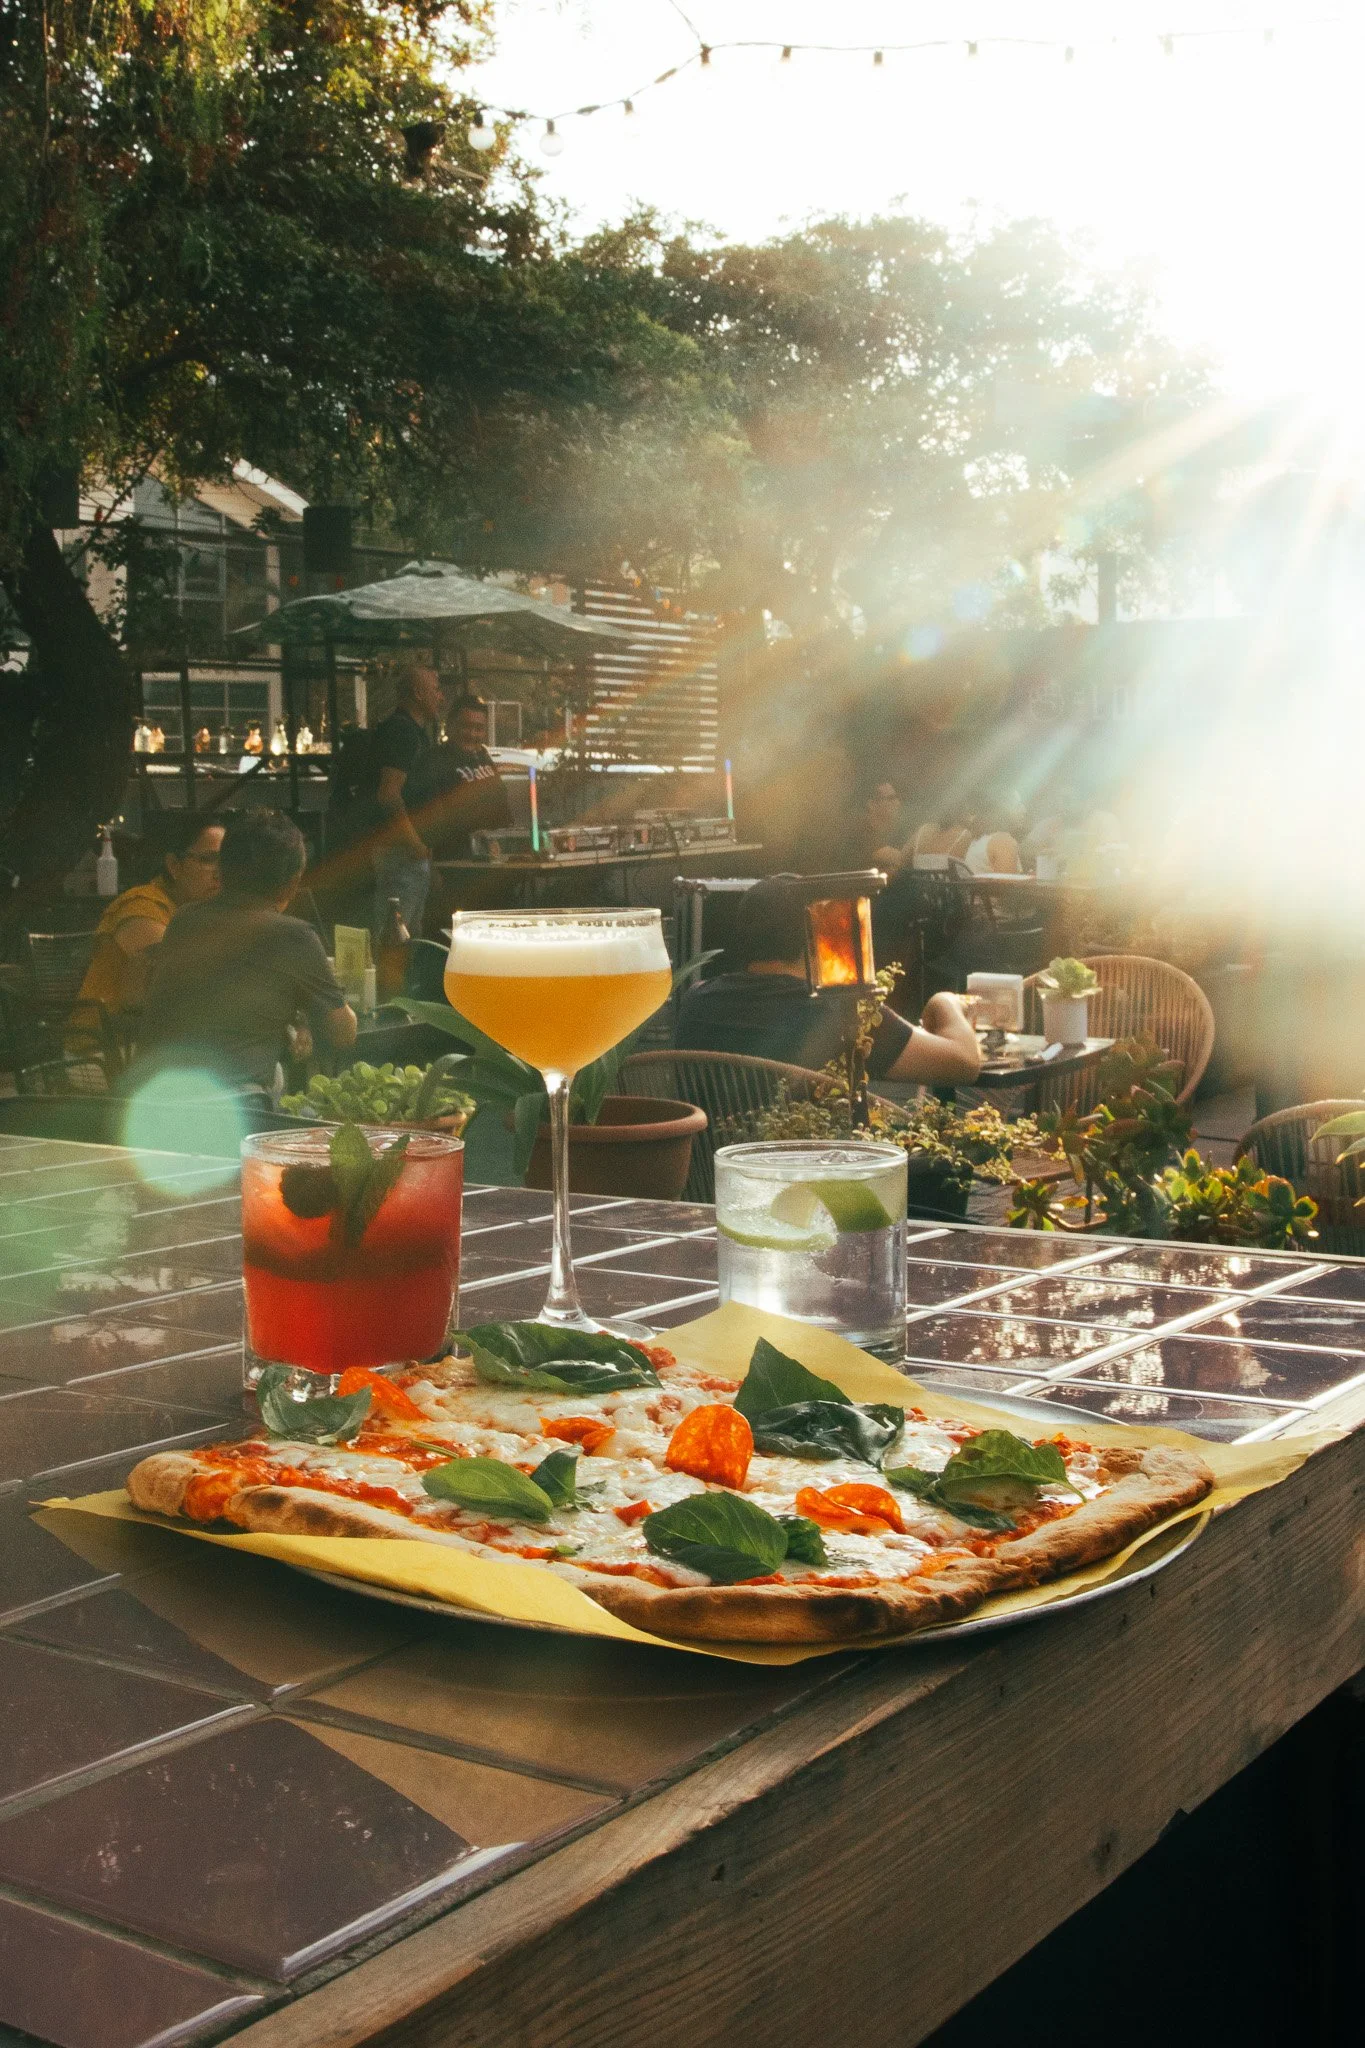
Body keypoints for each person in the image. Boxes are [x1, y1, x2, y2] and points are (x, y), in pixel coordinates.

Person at [676, 877, 981, 1084]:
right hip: (817, 1172)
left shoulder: (696, 1002)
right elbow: (964, 1063)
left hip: (717, 1169)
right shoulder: (836, 1013)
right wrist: (945, 1002)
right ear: (816, 937)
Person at [136, 812, 356, 1098]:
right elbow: (343, 1034)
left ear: (223, 872)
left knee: (277, 1076)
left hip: (153, 1103)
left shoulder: (185, 919)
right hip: (232, 1109)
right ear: (293, 883)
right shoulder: (293, 936)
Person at [77, 815, 225, 1020]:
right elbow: (188, 983)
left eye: (226, 860)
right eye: (208, 860)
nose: (220, 873)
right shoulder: (141, 907)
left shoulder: (198, 911)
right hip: (103, 1044)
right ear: (174, 865)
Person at [369, 653, 448, 938]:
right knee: (396, 935)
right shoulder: (402, 732)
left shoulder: (414, 733)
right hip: (401, 854)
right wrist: (415, 844)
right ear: (417, 693)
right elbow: (389, 794)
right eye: (436, 688)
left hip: (409, 853)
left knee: (408, 933)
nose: (441, 697)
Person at [424, 695, 512, 859]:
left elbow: (502, 805)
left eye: (479, 728)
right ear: (449, 726)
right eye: (465, 726)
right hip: (454, 861)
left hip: (490, 857)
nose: (472, 734)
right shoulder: (435, 762)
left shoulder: (483, 757)